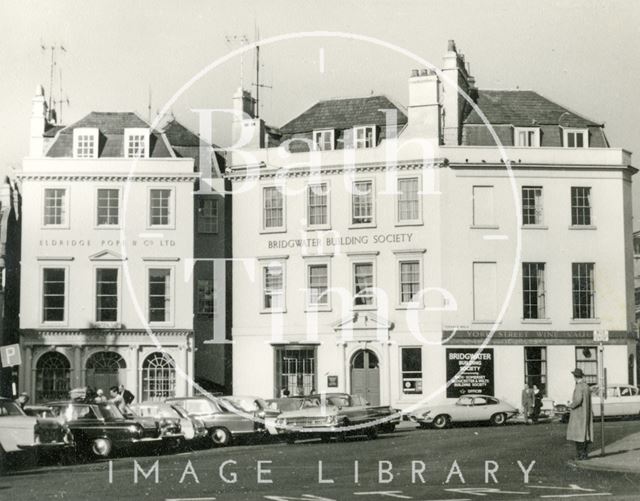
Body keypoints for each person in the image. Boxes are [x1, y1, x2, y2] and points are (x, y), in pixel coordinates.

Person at [566, 368, 593, 460]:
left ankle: (580, 455)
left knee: (578, 436)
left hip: (579, 414)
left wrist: (571, 405)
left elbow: (578, 400)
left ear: (575, 377)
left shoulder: (579, 386)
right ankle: (585, 455)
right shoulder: (586, 386)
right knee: (584, 435)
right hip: (586, 413)